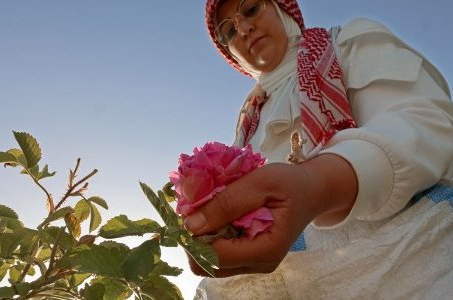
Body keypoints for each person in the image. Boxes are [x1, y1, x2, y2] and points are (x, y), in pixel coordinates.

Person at [183, 0, 453, 298]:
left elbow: (424, 126)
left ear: (283, 9)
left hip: (404, 264)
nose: (244, 29)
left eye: (250, 10)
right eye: (229, 32)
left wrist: (317, 184)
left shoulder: (346, 43)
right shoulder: (250, 118)